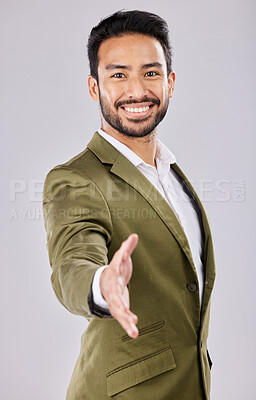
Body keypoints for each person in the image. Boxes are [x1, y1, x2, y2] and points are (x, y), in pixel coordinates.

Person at [42, 10, 216, 400]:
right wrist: (101, 284)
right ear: (94, 87)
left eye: (150, 73)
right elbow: (73, 260)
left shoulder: (171, 173)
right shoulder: (76, 179)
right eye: (118, 75)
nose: (137, 90)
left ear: (170, 82)